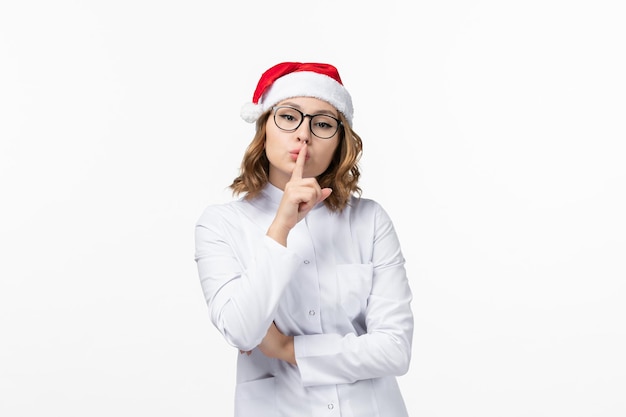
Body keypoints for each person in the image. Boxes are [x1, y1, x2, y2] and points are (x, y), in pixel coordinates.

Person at [194, 62, 414, 417]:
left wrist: (285, 347)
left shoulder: (369, 220)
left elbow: (394, 349)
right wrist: (281, 226)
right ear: (264, 127)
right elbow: (241, 331)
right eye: (288, 117)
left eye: (323, 124)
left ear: (340, 142)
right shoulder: (221, 225)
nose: (304, 135)